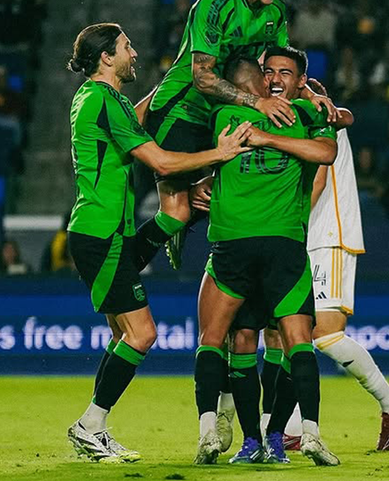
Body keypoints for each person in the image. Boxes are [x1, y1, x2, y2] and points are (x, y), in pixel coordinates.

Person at [63, 23, 252, 464]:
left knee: (174, 216)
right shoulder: (101, 101)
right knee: (142, 333)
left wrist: (176, 80)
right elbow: (161, 160)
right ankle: (89, 424)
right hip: (101, 234)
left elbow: (142, 114)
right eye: (127, 47)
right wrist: (219, 154)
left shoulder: (103, 100)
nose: (134, 52)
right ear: (106, 57)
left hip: (110, 232)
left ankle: (95, 428)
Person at [135, 0, 336, 272]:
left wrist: (313, 94)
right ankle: (123, 267)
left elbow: (279, 70)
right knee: (175, 211)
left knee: (224, 189)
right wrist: (258, 103)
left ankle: (205, 202)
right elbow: (203, 77)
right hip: (181, 111)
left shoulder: (275, 13)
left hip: (223, 114)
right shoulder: (215, 5)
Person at [190, 56, 342, 466]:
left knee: (225, 339)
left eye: (284, 73)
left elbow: (336, 127)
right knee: (289, 340)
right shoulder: (306, 114)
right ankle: (286, 435)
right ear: (258, 81)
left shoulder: (220, 111)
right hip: (277, 245)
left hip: (235, 245)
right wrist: (316, 101)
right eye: (268, 72)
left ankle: (234, 435)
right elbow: (332, 137)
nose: (274, 79)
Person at [294, 47, 389, 452]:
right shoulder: (294, 116)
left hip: (326, 234)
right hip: (306, 237)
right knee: (290, 333)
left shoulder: (318, 114)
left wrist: (285, 228)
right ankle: (290, 426)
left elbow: (316, 184)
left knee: (325, 335)